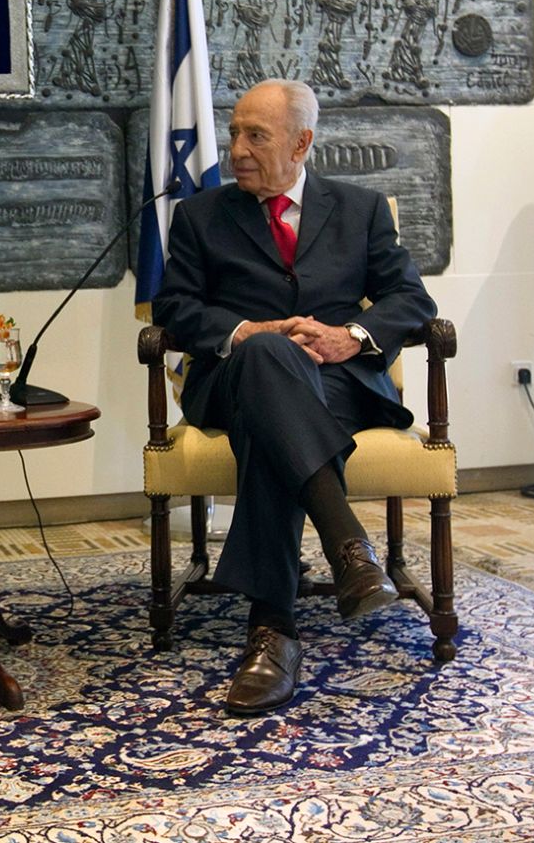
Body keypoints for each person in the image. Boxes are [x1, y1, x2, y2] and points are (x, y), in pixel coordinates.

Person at [152, 79, 436, 715]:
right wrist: (245, 332)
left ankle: (274, 630)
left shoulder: (359, 209)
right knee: (265, 358)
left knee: (272, 425)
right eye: (234, 133)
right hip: (232, 376)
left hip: (336, 382)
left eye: (257, 135)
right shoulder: (201, 215)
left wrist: (349, 337)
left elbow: (411, 299)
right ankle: (348, 548)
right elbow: (173, 306)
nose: (238, 148)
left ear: (302, 143)